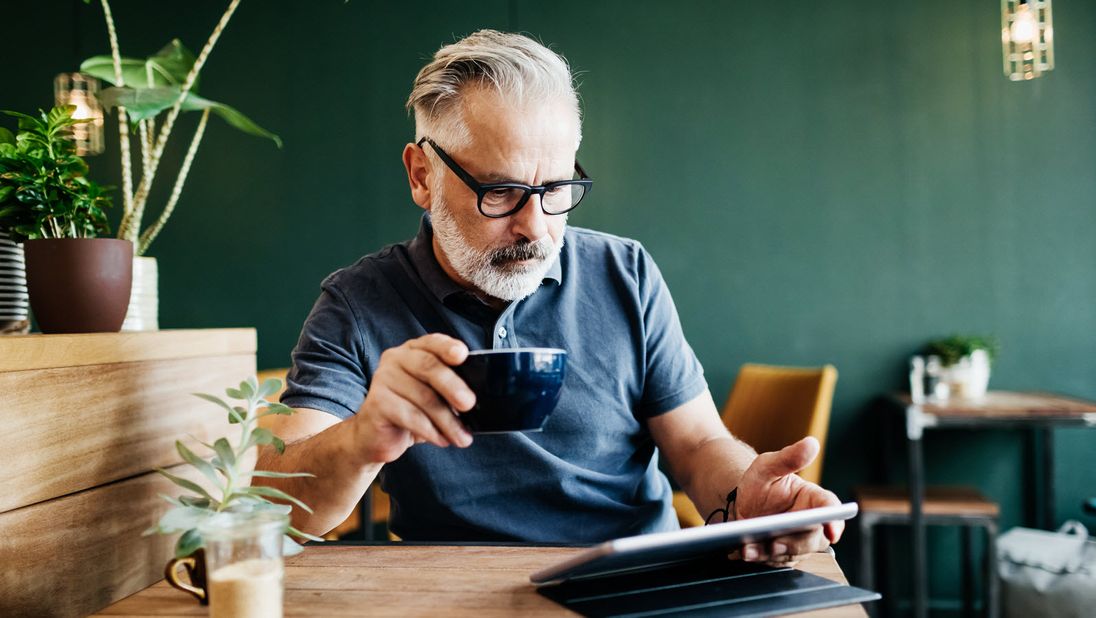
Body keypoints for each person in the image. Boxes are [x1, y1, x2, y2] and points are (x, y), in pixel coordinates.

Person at [258, 29, 843, 563]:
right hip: (449, 587)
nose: (536, 227)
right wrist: (363, 439)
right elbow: (275, 502)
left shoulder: (625, 273)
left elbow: (696, 443)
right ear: (422, 176)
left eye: (557, 188)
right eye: (503, 191)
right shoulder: (358, 304)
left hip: (632, 576)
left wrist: (747, 492)